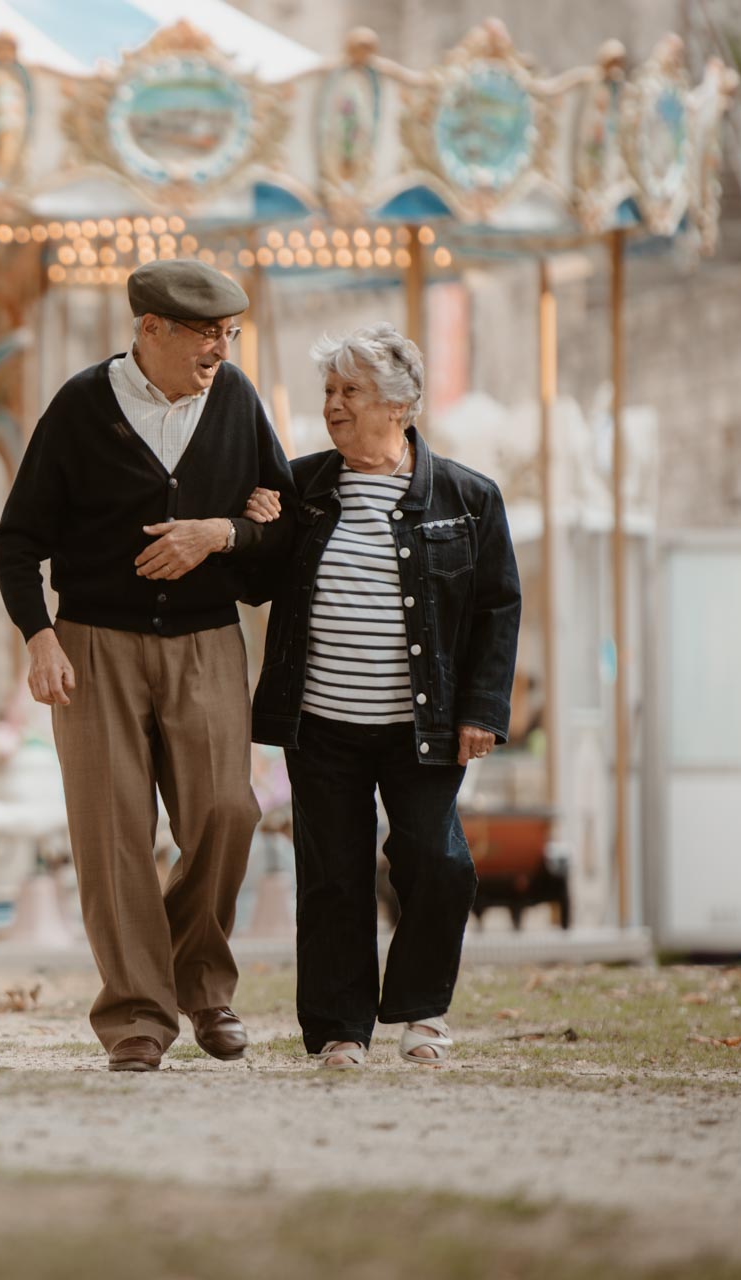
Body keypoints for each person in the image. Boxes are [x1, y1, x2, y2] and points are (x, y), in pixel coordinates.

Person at [0, 259, 294, 1072]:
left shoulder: (237, 401)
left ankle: (199, 979)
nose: (221, 350)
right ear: (149, 329)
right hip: (92, 644)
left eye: (230, 333)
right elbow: (18, 540)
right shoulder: (81, 405)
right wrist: (39, 635)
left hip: (206, 642)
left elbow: (281, 530)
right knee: (112, 833)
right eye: (205, 333)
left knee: (227, 811)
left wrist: (226, 533)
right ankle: (136, 1016)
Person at [243, 322, 522, 1068]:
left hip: (421, 726)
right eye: (329, 391)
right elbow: (251, 584)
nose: (333, 405)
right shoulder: (301, 489)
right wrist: (251, 531)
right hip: (321, 723)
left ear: (399, 405)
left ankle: (421, 1010)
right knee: (332, 877)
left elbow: (498, 607)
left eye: (350, 392)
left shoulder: (467, 498)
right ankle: (340, 1029)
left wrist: (482, 710)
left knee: (440, 863)